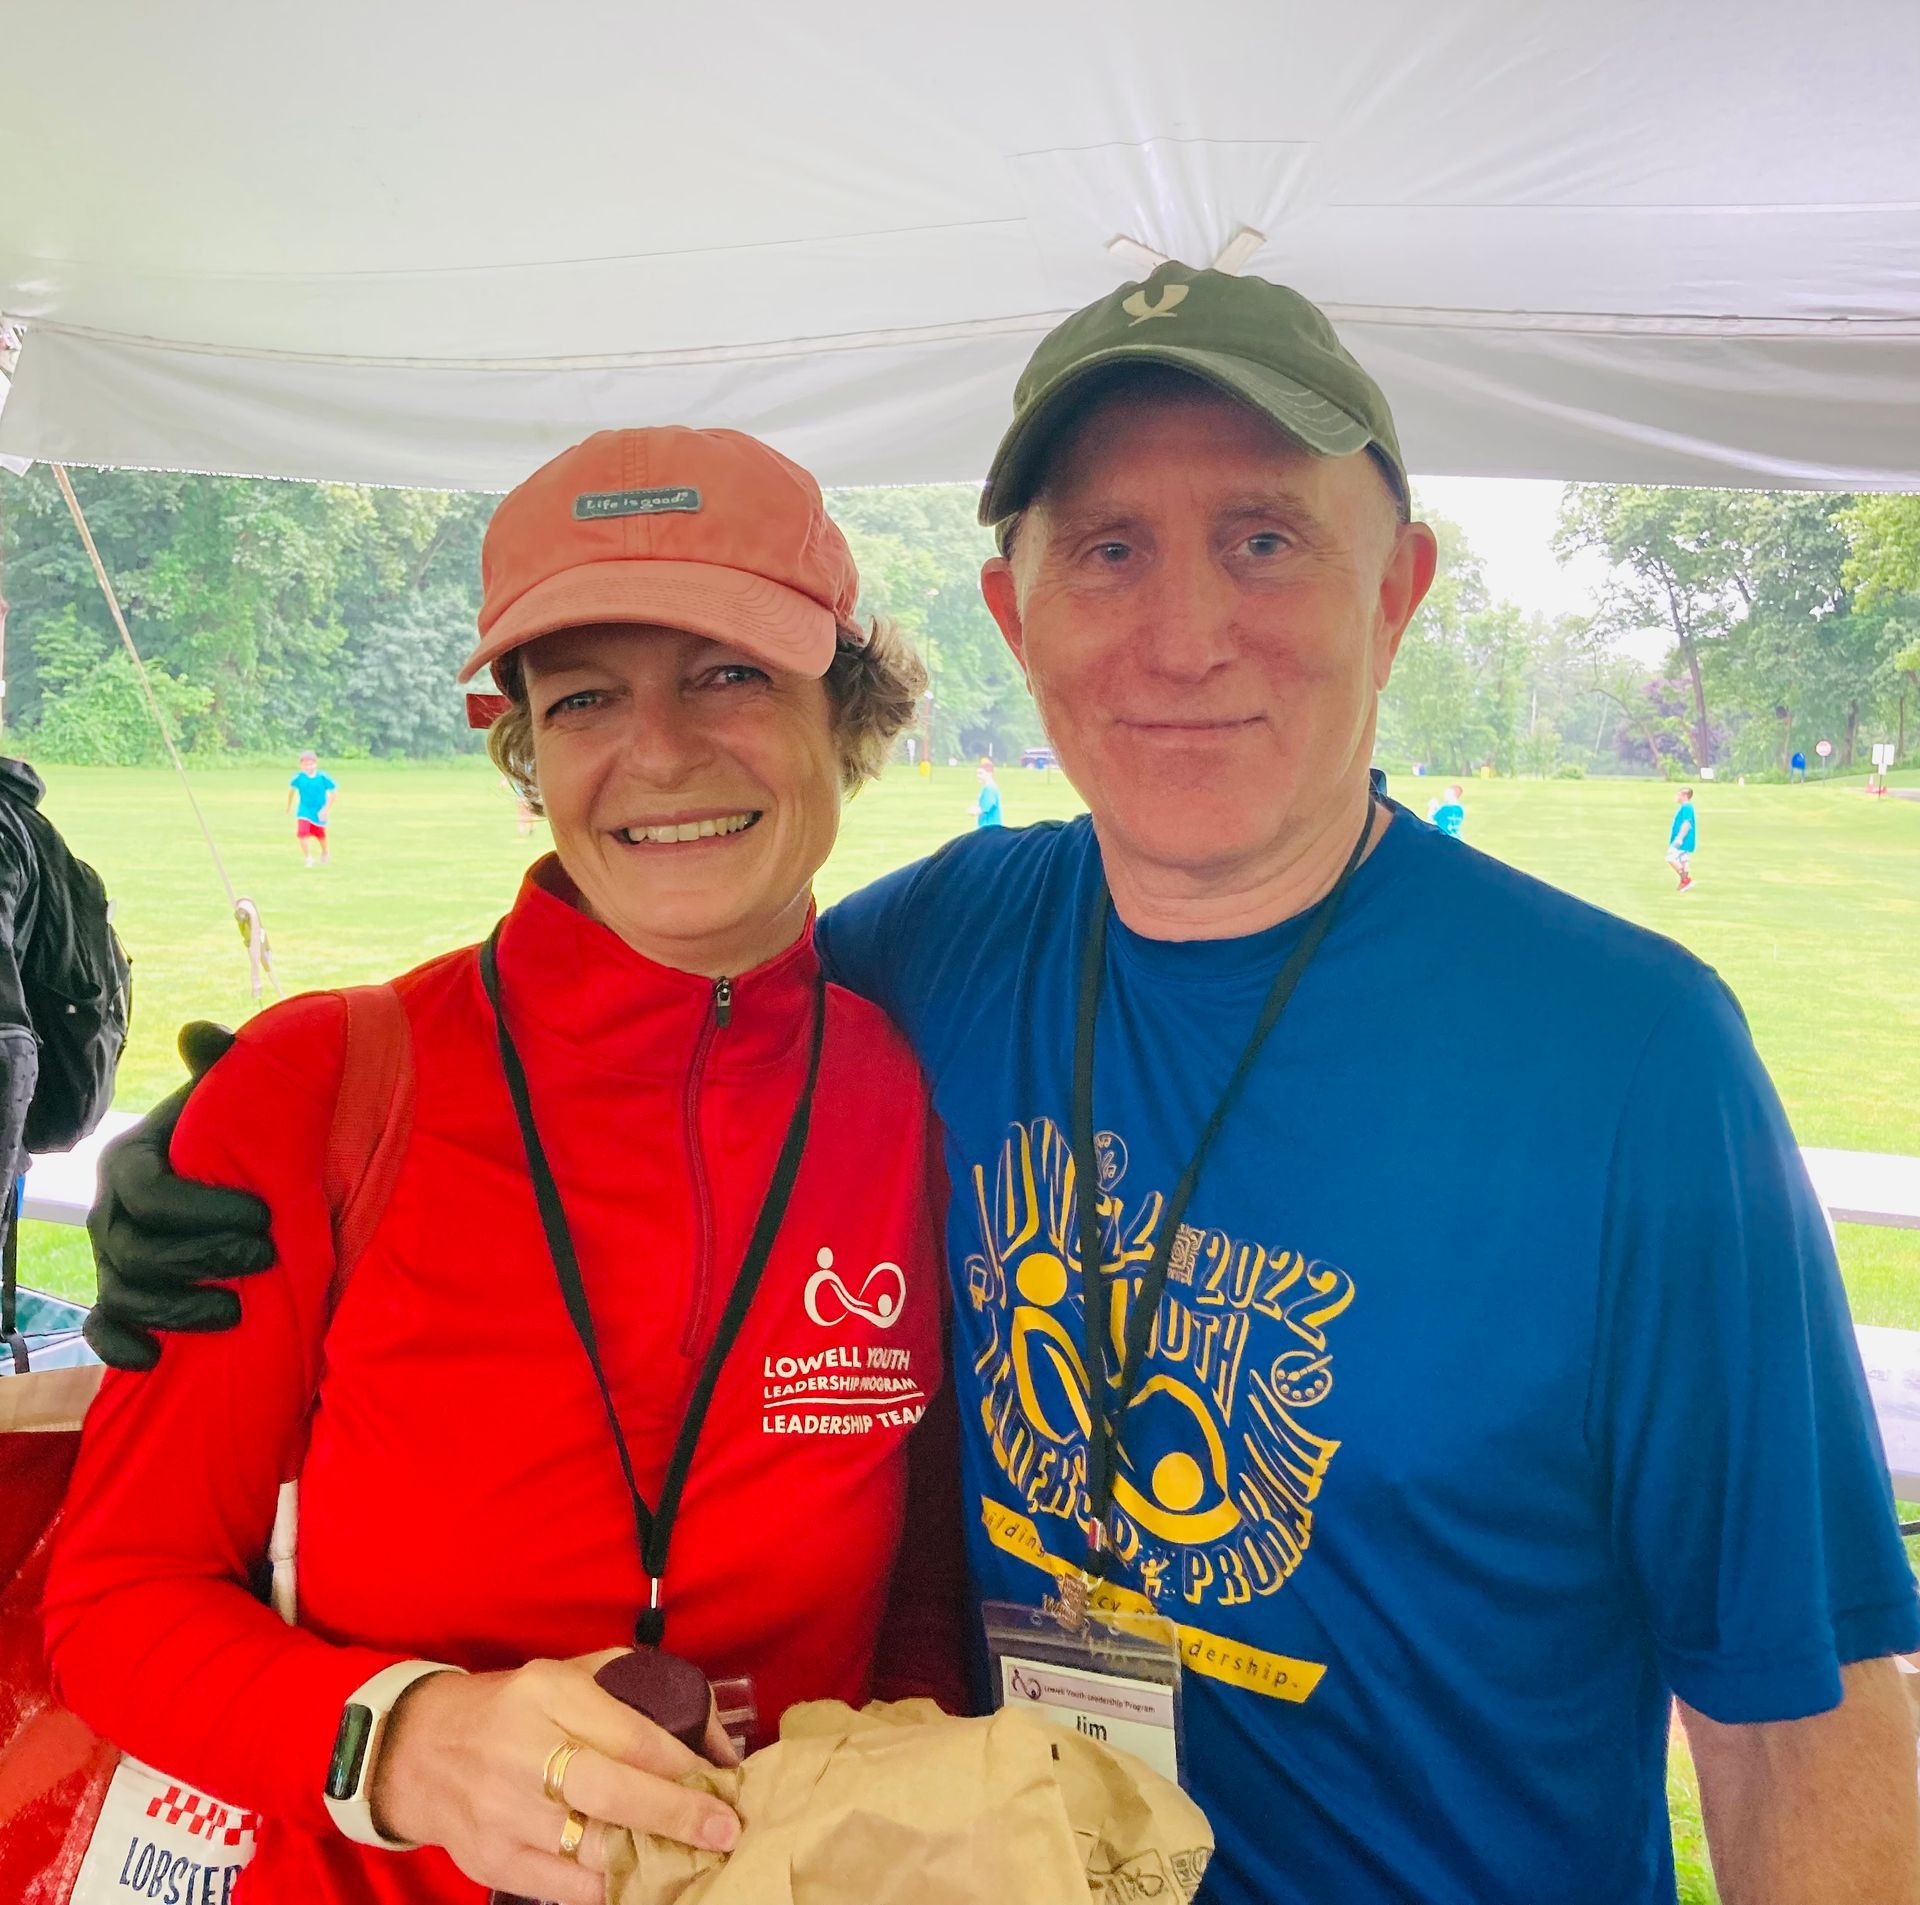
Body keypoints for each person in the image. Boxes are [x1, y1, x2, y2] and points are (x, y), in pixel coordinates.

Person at [84, 274, 1920, 1904]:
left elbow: (1801, 1721)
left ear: (1403, 587)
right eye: (1109, 548)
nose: (1184, 631)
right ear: (1012, 612)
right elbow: (660, 971)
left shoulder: (1630, 1061)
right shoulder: (934, 961)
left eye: (1266, 539)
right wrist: (243, 1136)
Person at [46, 427, 962, 1905]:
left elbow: (913, 1572)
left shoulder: (896, 1086)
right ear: (526, 752)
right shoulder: (321, 1087)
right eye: (586, 694)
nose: (659, 749)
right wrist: (402, 1742)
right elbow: (115, 1599)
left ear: (845, 711)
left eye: (728, 669)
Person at [288, 749, 337, 866]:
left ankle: (325, 852)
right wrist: (289, 806)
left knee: (320, 834)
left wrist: (325, 809)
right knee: (302, 833)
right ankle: (308, 858)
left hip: (319, 811)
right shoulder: (298, 778)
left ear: (316, 764)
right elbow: (291, 791)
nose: (308, 767)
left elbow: (334, 793)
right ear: (301, 765)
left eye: (311, 764)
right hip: (304, 810)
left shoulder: (322, 777)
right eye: (305, 765)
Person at [1668, 785, 1698, 890]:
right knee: (1684, 859)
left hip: (1683, 840)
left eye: (1679, 794)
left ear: (1685, 795)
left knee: (1670, 857)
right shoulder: (1686, 807)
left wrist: (1679, 838)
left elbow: (1687, 823)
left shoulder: (1686, 807)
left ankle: (1685, 879)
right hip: (1687, 840)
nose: (1677, 796)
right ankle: (1684, 883)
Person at [971, 756, 1003, 829]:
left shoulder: (989, 789)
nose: (978, 776)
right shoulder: (990, 787)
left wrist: (972, 810)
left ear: (989, 773)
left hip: (989, 830)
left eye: (980, 773)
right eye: (977, 773)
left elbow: (983, 809)